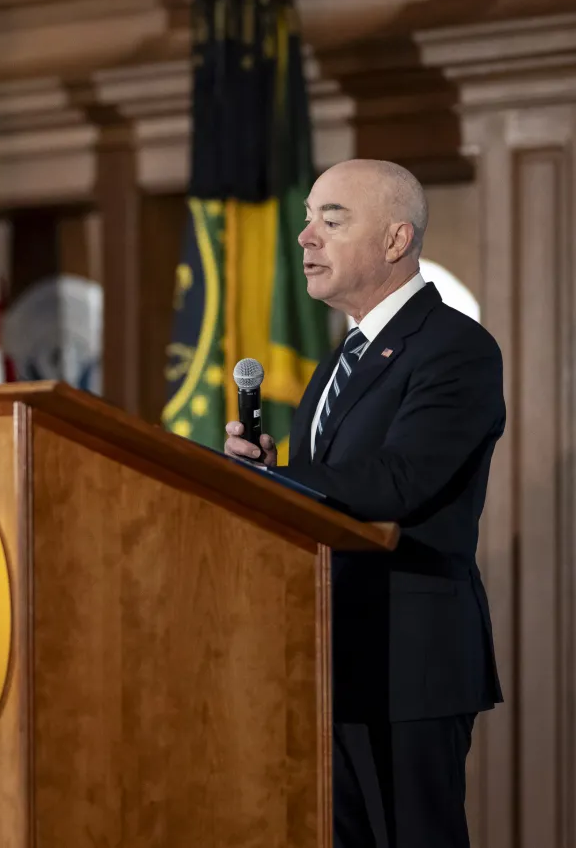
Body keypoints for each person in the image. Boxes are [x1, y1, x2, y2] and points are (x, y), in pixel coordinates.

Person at [224, 158, 504, 848]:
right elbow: (333, 484)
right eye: (308, 217)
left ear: (395, 239)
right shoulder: (336, 363)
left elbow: (402, 480)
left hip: (408, 663)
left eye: (331, 218)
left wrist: (281, 481)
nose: (304, 237)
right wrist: (268, 473)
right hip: (326, 654)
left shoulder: (456, 348)